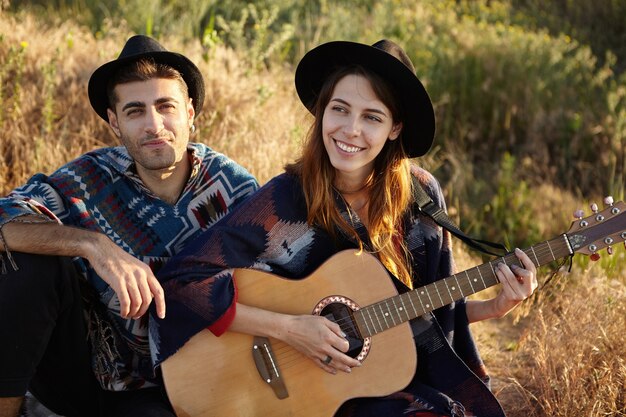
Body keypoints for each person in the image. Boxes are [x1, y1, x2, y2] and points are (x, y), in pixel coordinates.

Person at [153, 40, 537, 417]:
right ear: (322, 112)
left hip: (382, 378)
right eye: (340, 109)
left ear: (394, 128)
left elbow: (422, 313)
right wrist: (290, 329)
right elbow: (182, 283)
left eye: (372, 116)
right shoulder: (286, 200)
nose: (350, 130)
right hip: (304, 390)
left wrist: (495, 306)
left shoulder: (421, 197)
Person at [0, 35, 258, 417]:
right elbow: (6, 217)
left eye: (165, 106)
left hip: (185, 383)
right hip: (84, 374)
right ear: (115, 123)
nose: (154, 125)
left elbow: (282, 283)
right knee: (26, 260)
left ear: (189, 113)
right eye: (135, 111)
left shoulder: (235, 191)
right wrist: (93, 245)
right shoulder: (87, 179)